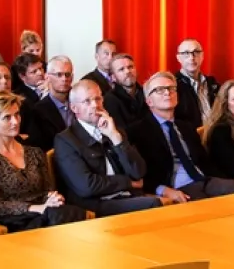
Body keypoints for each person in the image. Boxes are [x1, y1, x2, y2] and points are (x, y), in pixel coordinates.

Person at [0, 91, 87, 231]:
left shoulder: (35, 153)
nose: (15, 121)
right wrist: (38, 208)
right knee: (65, 218)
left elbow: (47, 190)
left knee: (69, 214)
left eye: (17, 114)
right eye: (7, 117)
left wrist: (53, 198)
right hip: (14, 220)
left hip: (47, 213)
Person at [128, 71, 234, 202]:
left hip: (203, 179)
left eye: (171, 88)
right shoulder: (138, 131)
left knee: (233, 188)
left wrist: (223, 179)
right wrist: (163, 190)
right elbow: (138, 173)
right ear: (149, 101)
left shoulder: (186, 127)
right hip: (176, 186)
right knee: (201, 202)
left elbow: (204, 161)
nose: (167, 92)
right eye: (160, 90)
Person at [52, 80, 160, 216]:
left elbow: (138, 172)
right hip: (96, 203)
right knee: (153, 204)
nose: (95, 105)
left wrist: (115, 137)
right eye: (87, 101)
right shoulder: (66, 140)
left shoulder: (114, 129)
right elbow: (86, 186)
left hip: (125, 196)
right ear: (74, 108)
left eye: (98, 99)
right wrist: (127, 182)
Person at [173, 38, 218, 133]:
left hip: (215, 135)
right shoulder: (173, 85)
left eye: (196, 52)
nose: (191, 57)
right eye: (186, 53)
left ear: (202, 56)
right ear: (178, 58)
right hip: (191, 138)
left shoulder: (213, 83)